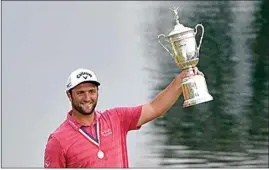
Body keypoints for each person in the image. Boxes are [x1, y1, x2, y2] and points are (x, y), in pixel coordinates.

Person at [44, 67, 204, 168]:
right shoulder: (58, 141)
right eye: (80, 93)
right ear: (69, 95)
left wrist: (179, 82)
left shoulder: (116, 118)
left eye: (92, 91)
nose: (87, 98)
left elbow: (155, 108)